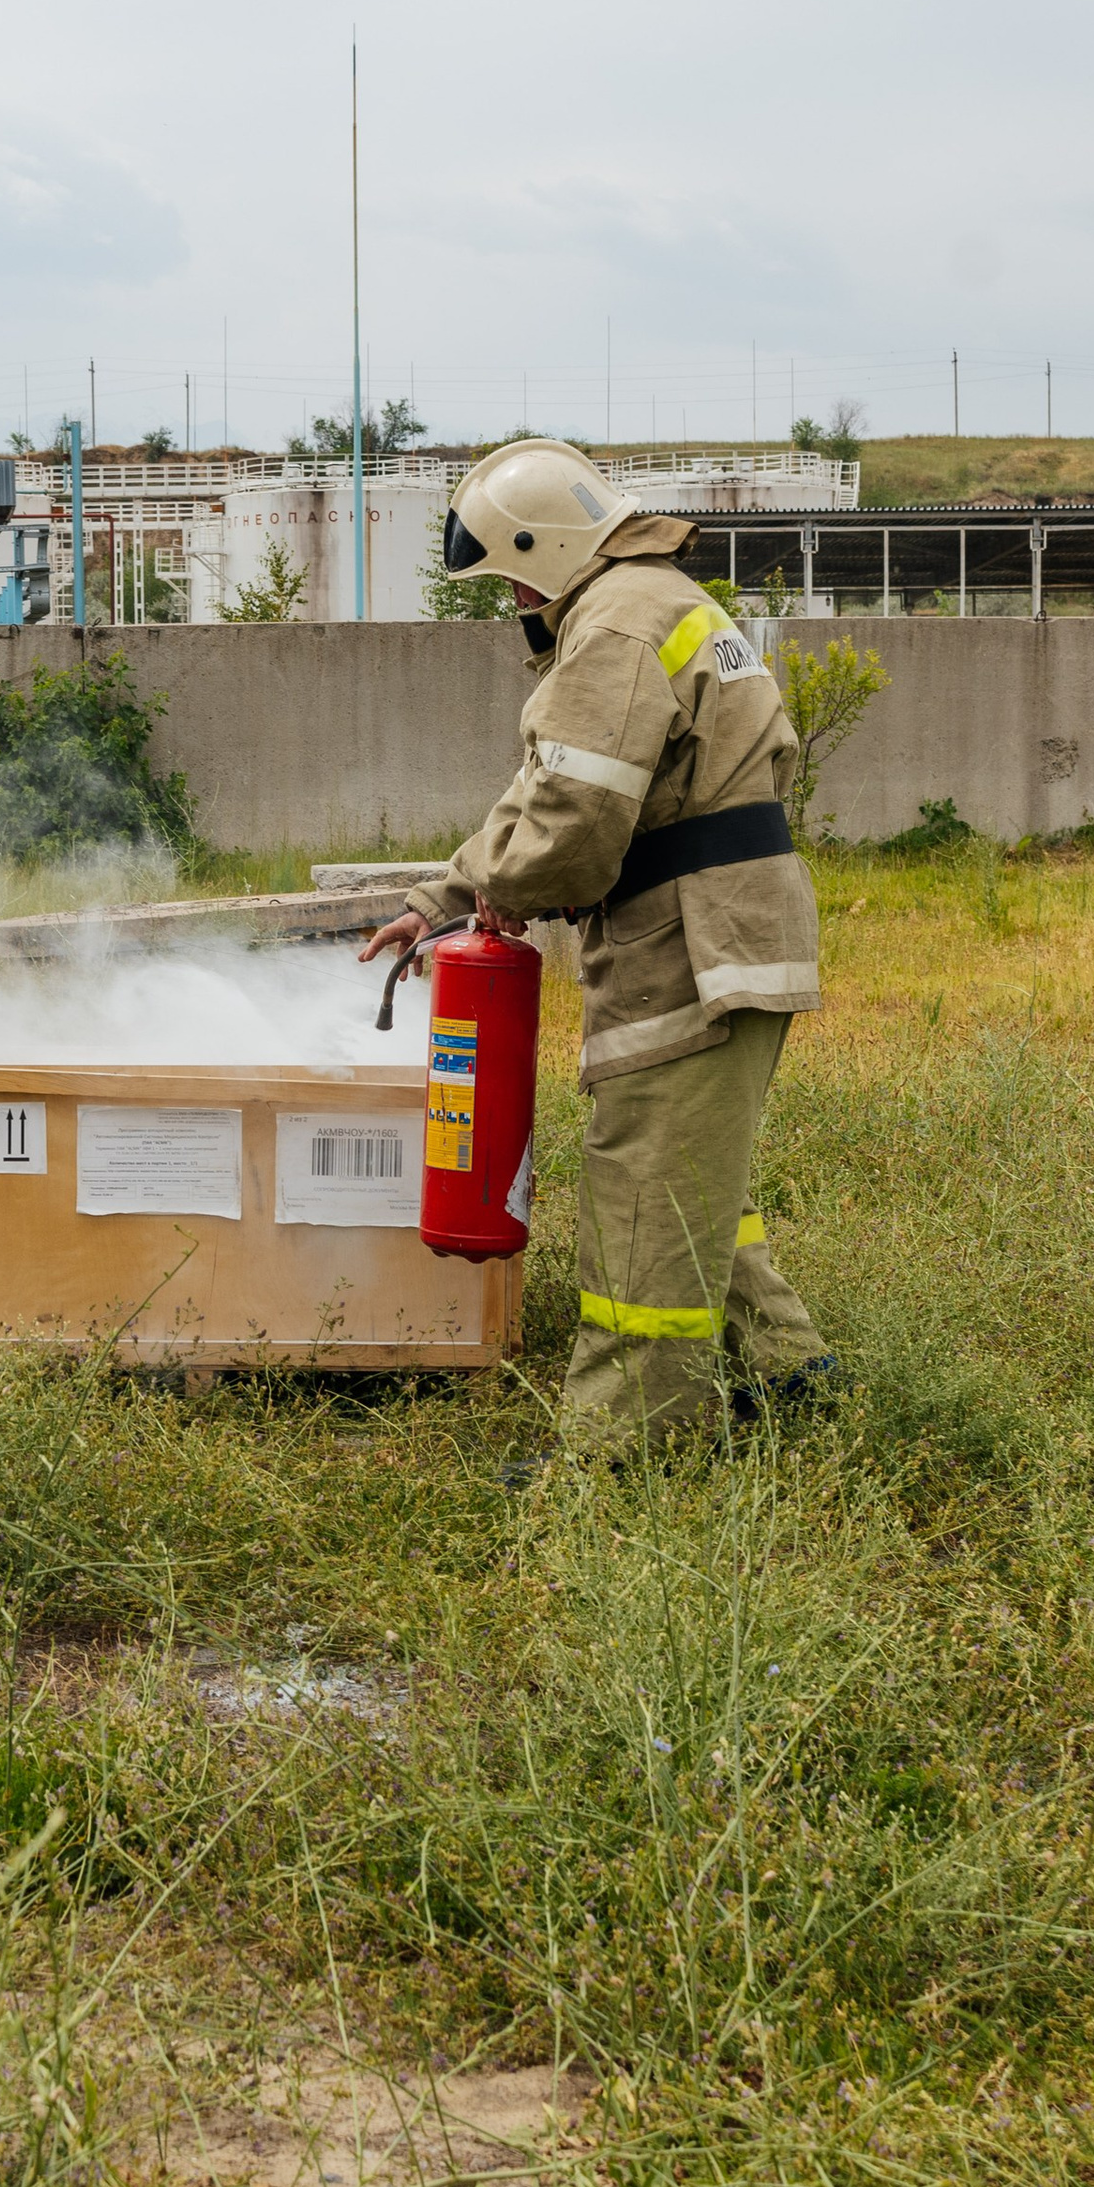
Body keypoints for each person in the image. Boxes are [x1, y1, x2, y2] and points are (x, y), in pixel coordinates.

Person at [362, 437, 836, 1455]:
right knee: (696, 1182)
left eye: (514, 577)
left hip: (691, 944)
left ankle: (625, 1450)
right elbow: (551, 793)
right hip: (730, 932)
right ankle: (782, 1376)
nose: (515, 600)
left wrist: (503, 894)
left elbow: (574, 815)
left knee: (645, 1192)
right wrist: (442, 894)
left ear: (552, 547)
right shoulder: (655, 601)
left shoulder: (614, 624)